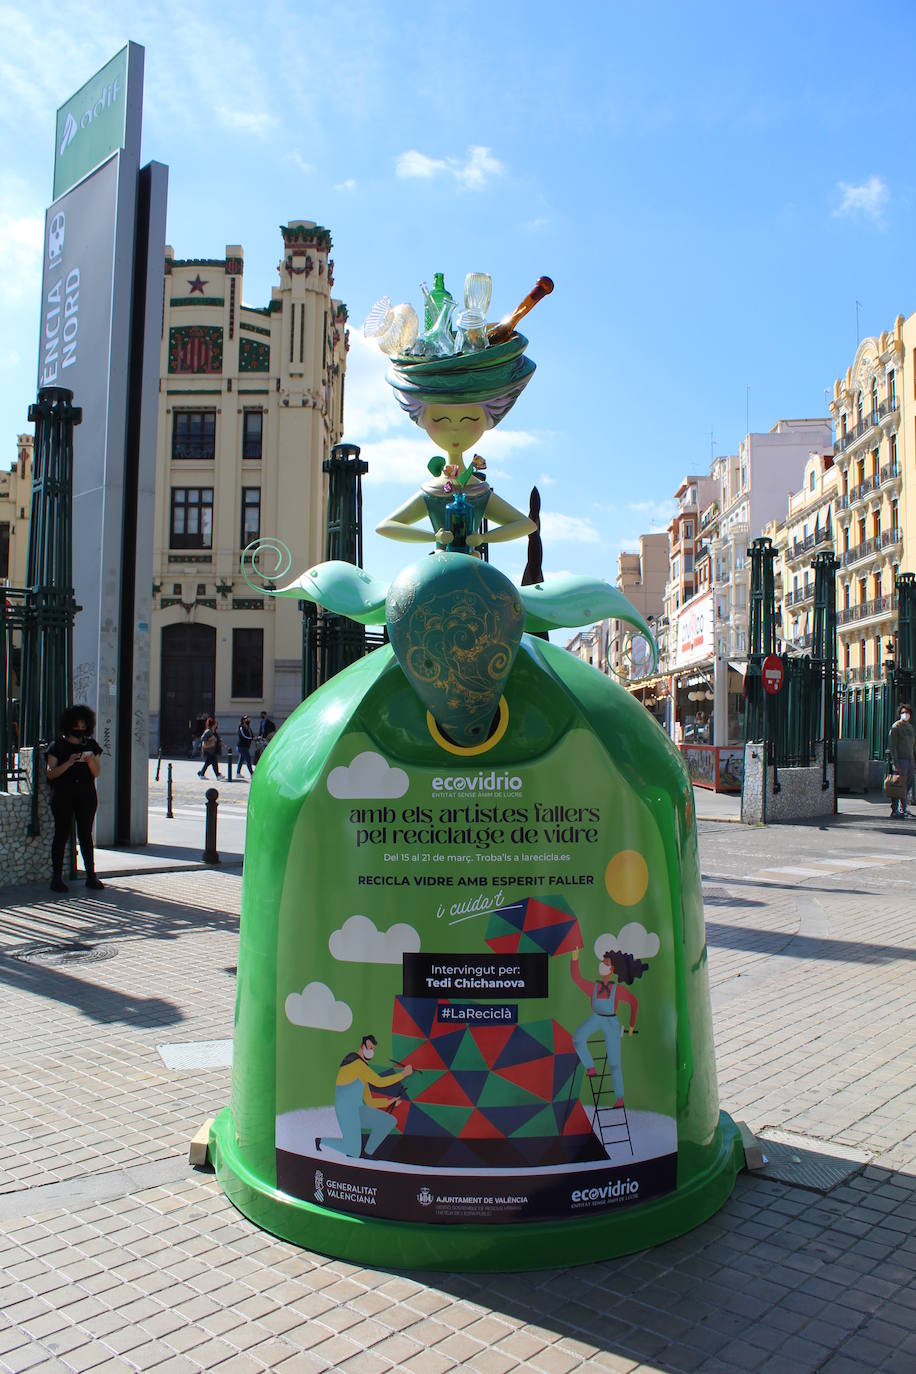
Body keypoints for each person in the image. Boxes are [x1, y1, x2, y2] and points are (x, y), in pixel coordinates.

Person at [376, 334, 537, 552]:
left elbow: (525, 524)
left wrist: (482, 538)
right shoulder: (433, 491)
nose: (454, 428)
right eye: (440, 419)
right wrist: (435, 537)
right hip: (439, 566)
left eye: (469, 419)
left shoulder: (478, 490)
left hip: (474, 568)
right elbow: (386, 526)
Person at [570, 947, 646, 1108]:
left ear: (612, 969)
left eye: (605, 963)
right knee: (578, 1038)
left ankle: (620, 1098)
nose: (602, 965)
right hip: (596, 1018)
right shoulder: (594, 987)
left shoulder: (617, 990)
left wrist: (631, 1026)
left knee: (614, 1063)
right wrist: (575, 958)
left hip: (611, 1022)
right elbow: (577, 978)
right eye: (602, 962)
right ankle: (590, 1066)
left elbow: (634, 1002)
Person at [316, 1034, 413, 1159]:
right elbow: (379, 1082)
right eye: (369, 1047)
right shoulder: (357, 1064)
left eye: (373, 1048)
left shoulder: (362, 1071)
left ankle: (368, 1154)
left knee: (388, 1121)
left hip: (358, 1110)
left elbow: (369, 1101)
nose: (371, 1051)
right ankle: (321, 1141)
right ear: (362, 1047)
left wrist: (389, 1102)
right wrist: (403, 1074)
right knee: (353, 1152)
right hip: (347, 1111)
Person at [45, 705, 104, 894]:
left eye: (83, 725)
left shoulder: (90, 745)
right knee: (61, 833)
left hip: (86, 794)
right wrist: (69, 763)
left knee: (86, 834)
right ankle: (57, 877)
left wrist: (90, 760)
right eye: (77, 725)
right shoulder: (58, 746)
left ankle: (91, 875)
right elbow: (51, 774)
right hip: (63, 794)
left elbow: (97, 772)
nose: (80, 728)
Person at [887, 704, 915, 819]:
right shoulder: (896, 727)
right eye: (903, 712)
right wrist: (895, 762)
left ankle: (904, 808)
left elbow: (912, 746)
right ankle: (894, 809)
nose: (906, 714)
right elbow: (892, 746)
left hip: (909, 759)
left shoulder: (910, 727)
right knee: (898, 785)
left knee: (908, 785)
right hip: (901, 760)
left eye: (907, 712)